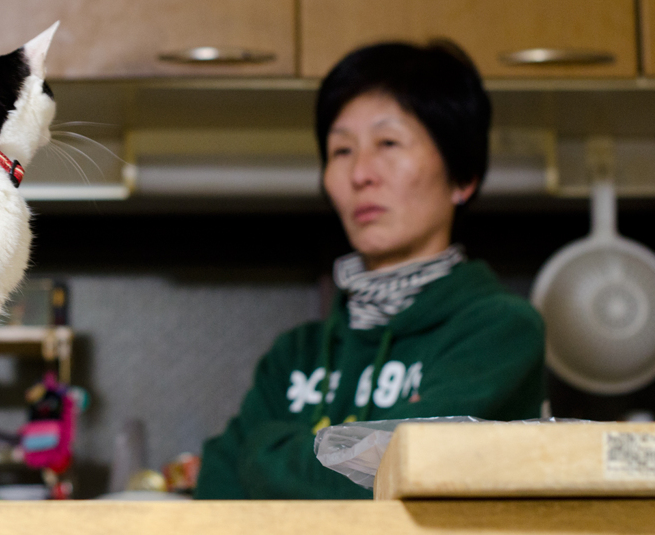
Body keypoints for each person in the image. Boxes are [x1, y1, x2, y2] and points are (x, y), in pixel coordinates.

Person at [194, 41, 545, 499]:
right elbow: (216, 494)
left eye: (388, 143)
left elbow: (406, 477)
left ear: (462, 177)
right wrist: (359, 461)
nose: (361, 173)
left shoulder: (499, 331)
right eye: (341, 151)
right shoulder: (293, 356)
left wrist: (264, 454)